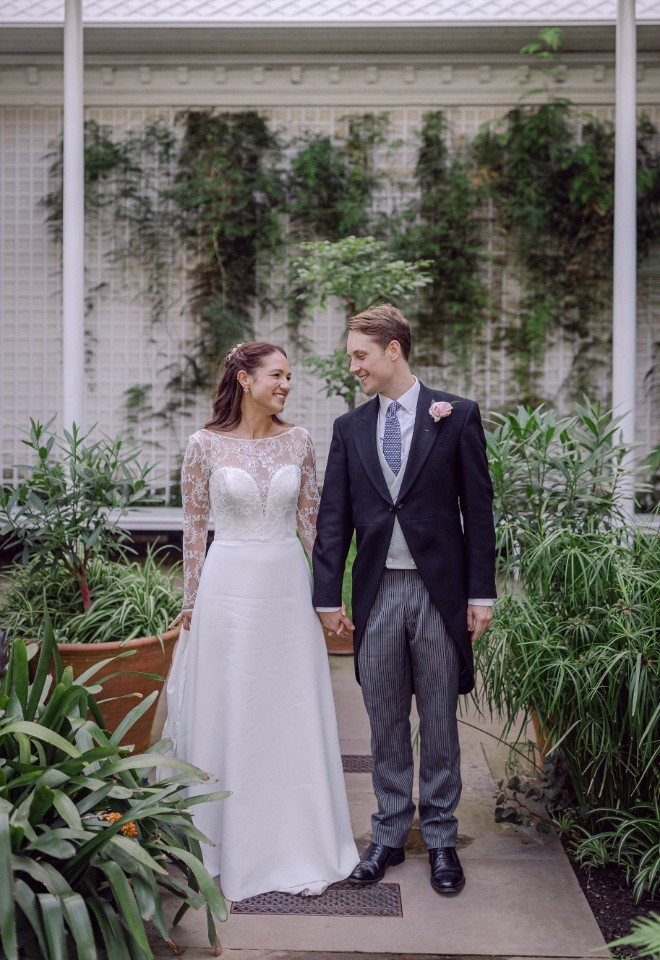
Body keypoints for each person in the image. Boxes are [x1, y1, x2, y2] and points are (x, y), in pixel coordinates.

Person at [163, 340, 359, 903]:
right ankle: (221, 838)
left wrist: (330, 598)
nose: (286, 385)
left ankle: (296, 836)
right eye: (277, 375)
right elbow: (194, 529)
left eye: (289, 377)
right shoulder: (203, 445)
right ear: (245, 379)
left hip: (285, 588)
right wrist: (192, 600)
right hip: (227, 589)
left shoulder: (298, 441)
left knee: (287, 706)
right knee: (232, 705)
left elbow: (314, 527)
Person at [312, 304, 496, 896]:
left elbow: (480, 512)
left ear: (394, 350)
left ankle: (441, 837)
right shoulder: (350, 429)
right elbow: (333, 520)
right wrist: (327, 598)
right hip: (376, 595)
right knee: (384, 716)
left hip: (438, 592)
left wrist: (481, 594)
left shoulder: (458, 416)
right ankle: (389, 834)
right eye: (350, 357)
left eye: (360, 355)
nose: (353, 367)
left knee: (440, 716)